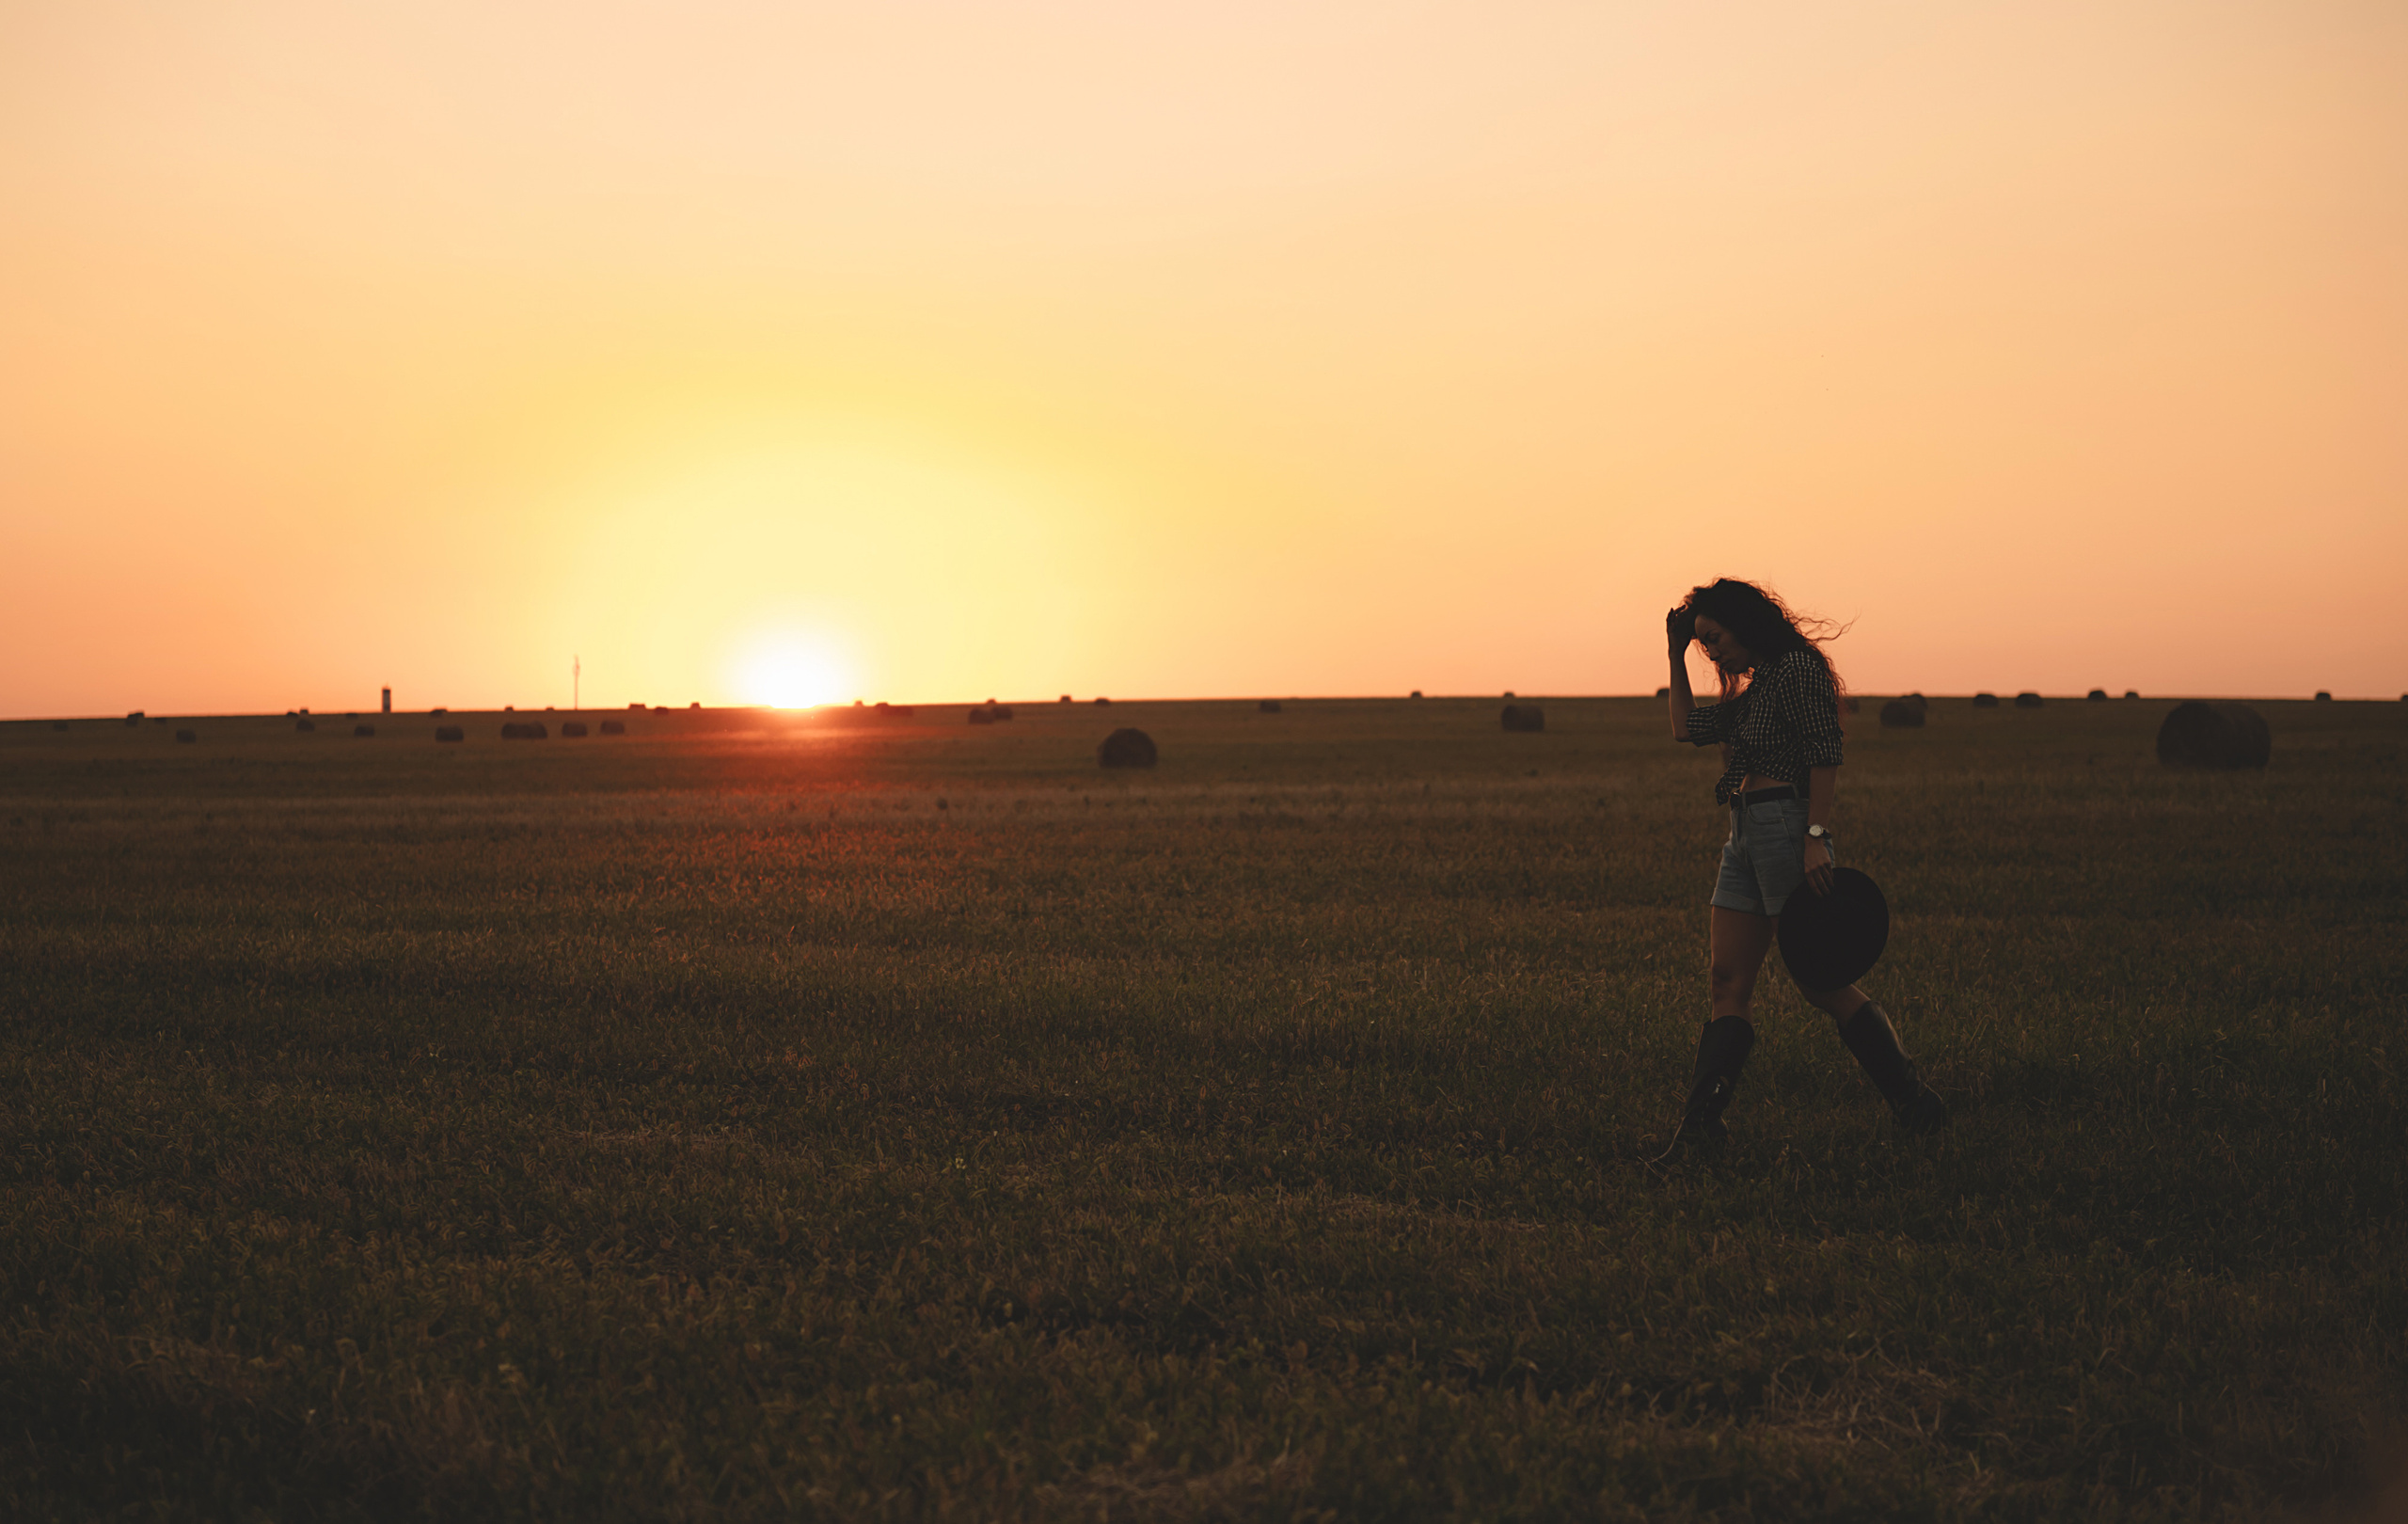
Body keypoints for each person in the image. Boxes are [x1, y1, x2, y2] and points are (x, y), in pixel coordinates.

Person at [1656, 578, 1946, 1158]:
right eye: (1702, 645)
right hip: (1741, 834)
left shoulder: (1795, 671)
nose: (1712, 652)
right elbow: (1685, 728)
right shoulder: (1756, 689)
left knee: (1821, 979)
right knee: (1726, 982)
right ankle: (1700, 1133)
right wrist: (1674, 653)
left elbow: (1824, 751)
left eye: (1714, 639)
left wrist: (1815, 835)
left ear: (1744, 621)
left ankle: (1915, 1101)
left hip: (1785, 828)